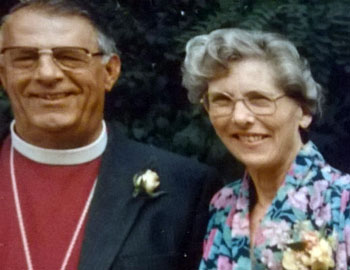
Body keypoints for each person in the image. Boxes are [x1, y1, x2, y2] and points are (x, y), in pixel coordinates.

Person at [0, 1, 221, 269]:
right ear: (3, 74)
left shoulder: (186, 187)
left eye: (70, 57)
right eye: (25, 58)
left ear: (110, 72)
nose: (47, 74)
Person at [182, 28, 350, 269]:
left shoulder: (344, 203)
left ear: (303, 112)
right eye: (222, 100)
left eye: (259, 99)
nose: (240, 117)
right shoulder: (222, 205)